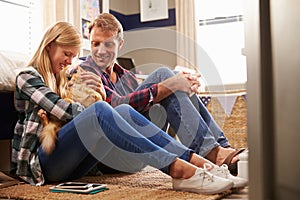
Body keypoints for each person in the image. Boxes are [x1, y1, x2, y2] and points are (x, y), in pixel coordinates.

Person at [11, 21, 247, 194]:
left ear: (120, 44)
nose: (70, 62)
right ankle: (182, 168)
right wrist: (102, 108)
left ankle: (206, 157)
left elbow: (97, 112)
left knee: (126, 107)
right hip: (41, 166)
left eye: (73, 56)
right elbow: (65, 111)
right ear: (49, 46)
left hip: (80, 160)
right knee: (107, 110)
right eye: (67, 54)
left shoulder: (62, 77)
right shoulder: (29, 76)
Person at [79, 13, 248, 175]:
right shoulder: (85, 71)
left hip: (143, 149)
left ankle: (222, 148)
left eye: (108, 44)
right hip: (113, 155)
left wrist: (178, 83)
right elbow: (117, 109)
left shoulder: (127, 76)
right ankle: (213, 153)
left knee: (171, 81)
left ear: (120, 44)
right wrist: (169, 84)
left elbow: (137, 115)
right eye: (95, 44)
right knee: (164, 75)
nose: (100, 51)